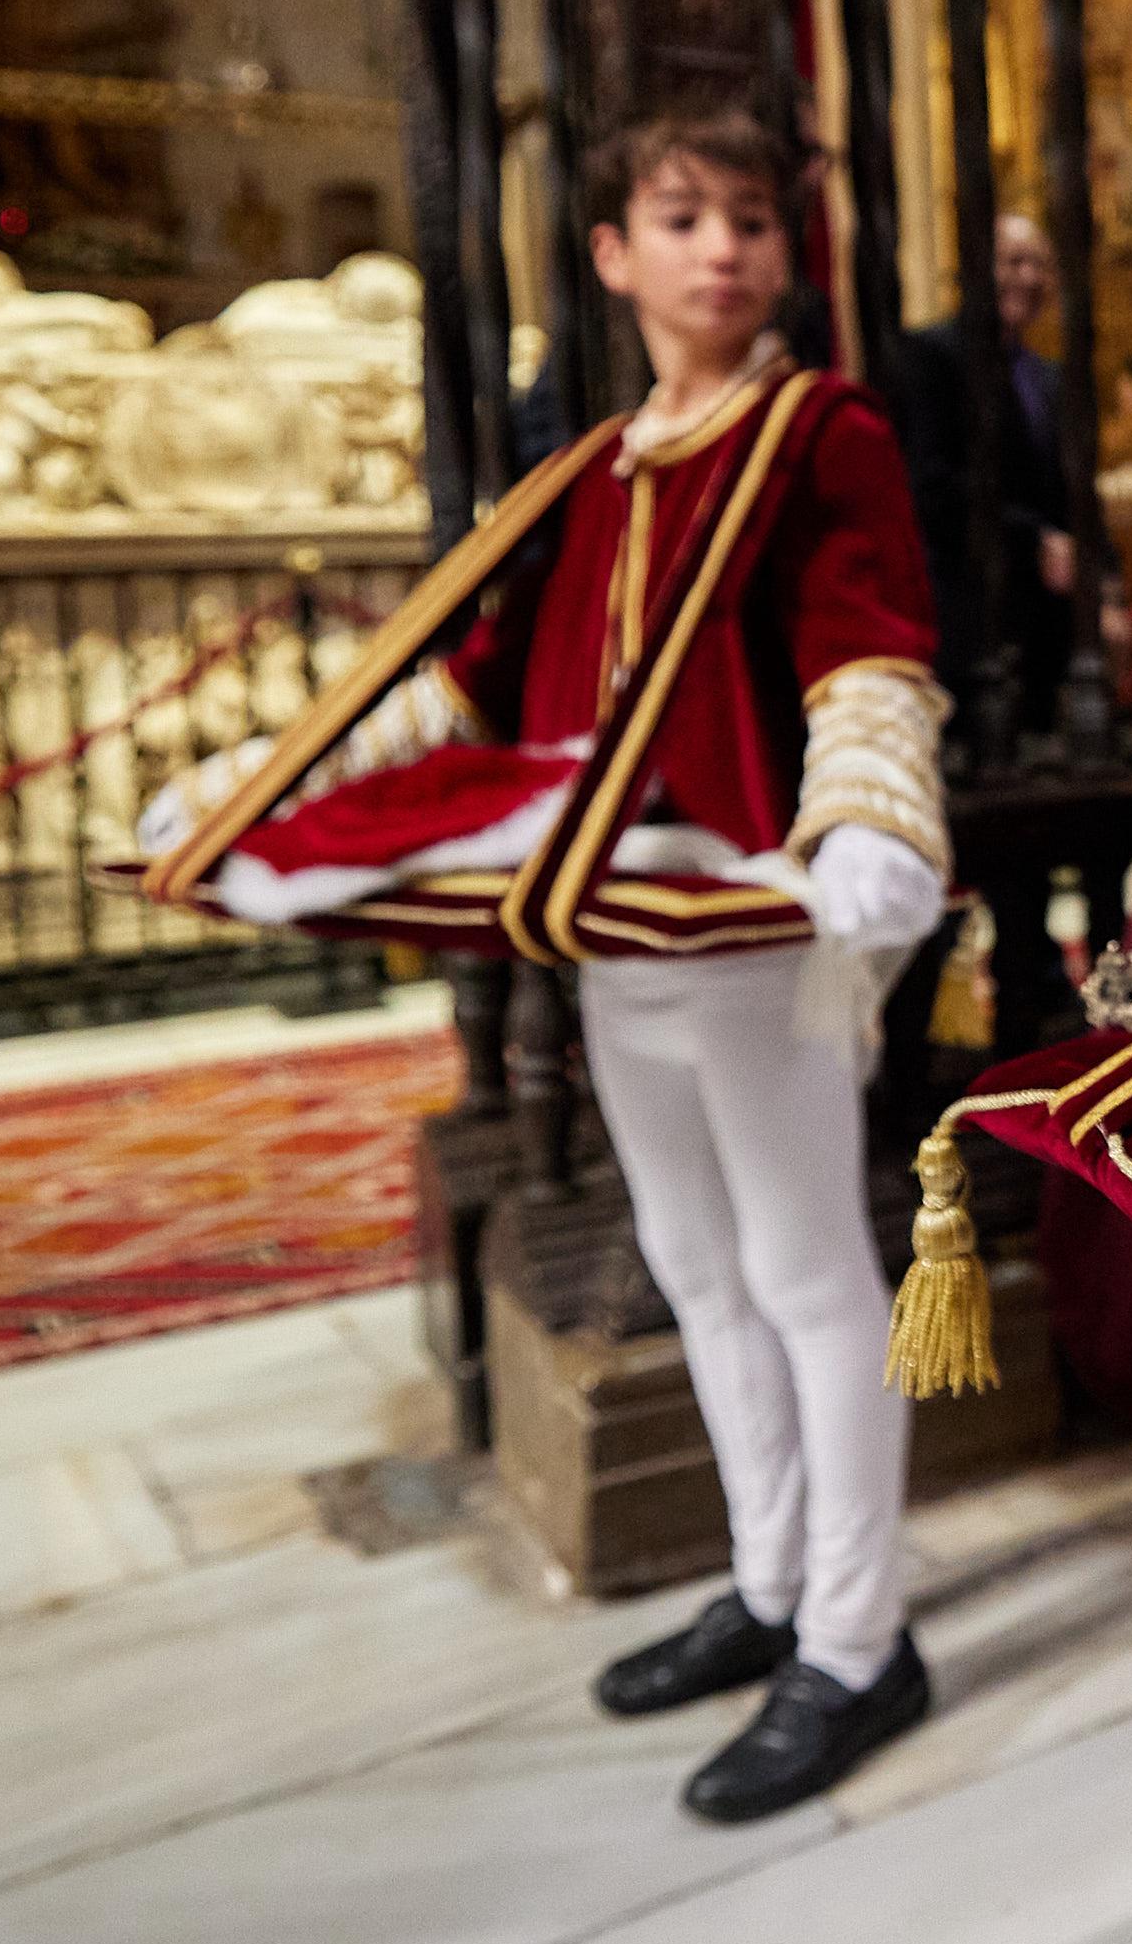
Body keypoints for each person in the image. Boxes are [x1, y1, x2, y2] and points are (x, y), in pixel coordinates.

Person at [146, 109, 959, 1822]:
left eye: (749, 218)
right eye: (680, 216)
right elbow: (489, 690)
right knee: (691, 1259)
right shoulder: (588, 468)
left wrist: (872, 816)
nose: (720, 247)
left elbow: (866, 640)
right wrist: (276, 786)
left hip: (748, 904)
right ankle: (767, 1580)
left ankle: (862, 1636)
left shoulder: (822, 429)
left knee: (812, 1273)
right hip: (601, 913)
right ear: (614, 252)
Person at [880, 212, 1084, 1042]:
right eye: (1008, 259)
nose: (1024, 276)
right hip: (959, 620)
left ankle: (1031, 980)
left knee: (1033, 805)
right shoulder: (928, 359)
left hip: (1036, 628)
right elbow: (930, 486)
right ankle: (915, 1012)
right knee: (958, 812)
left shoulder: (1046, 374)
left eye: (1036, 260)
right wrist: (1029, 539)